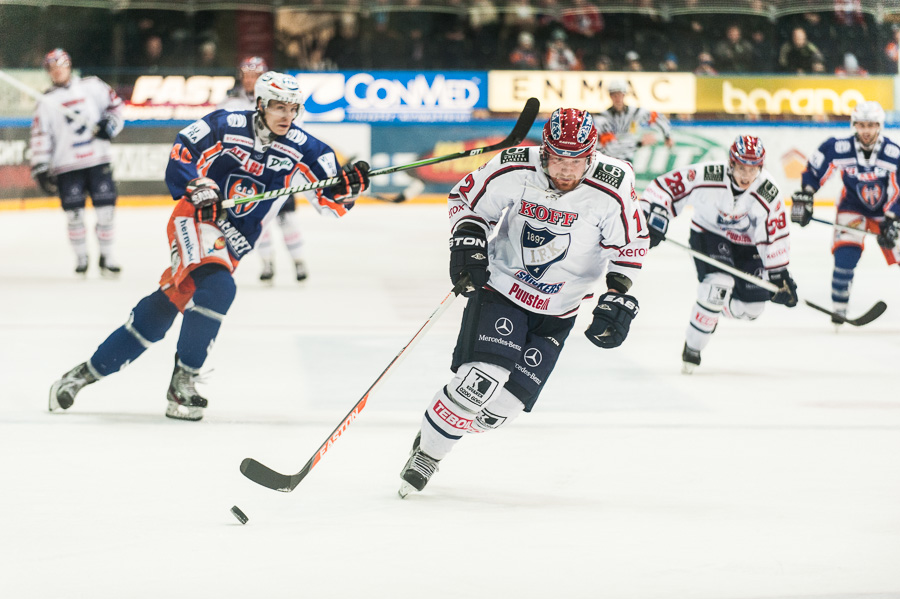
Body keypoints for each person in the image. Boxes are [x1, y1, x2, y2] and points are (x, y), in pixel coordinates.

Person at [48, 71, 370, 421]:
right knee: (219, 288)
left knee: (164, 309)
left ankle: (82, 374)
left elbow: (331, 201)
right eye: (278, 107)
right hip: (195, 220)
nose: (286, 116)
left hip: (232, 244)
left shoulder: (307, 148)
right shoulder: (227, 123)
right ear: (260, 104)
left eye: (293, 109)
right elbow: (183, 150)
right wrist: (198, 185)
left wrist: (350, 185)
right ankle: (183, 381)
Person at [398, 108, 648, 497]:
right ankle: (428, 455)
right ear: (545, 151)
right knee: (479, 381)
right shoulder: (515, 166)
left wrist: (617, 291)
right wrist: (468, 239)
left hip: (559, 309)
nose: (566, 171)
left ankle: (440, 429)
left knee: (499, 411)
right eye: (559, 160)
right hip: (503, 289)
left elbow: (631, 244)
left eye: (577, 161)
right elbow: (466, 200)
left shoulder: (613, 186)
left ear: (592, 156)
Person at [640, 135, 798, 373]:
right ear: (731, 163)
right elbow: (665, 187)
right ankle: (693, 346)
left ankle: (712, 309)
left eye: (753, 169)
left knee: (752, 309)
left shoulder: (768, 191)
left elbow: (775, 232)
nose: (746, 175)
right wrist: (655, 216)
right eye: (741, 168)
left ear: (761, 167)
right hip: (710, 235)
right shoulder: (708, 174)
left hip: (748, 246)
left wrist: (778, 274)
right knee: (717, 285)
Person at [790, 101, 900, 324]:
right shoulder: (839, 147)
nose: (866, 131)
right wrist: (807, 196)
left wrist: (892, 218)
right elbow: (815, 168)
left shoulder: (893, 153)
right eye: (861, 125)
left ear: (879, 126)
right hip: (852, 207)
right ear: (854, 125)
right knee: (845, 255)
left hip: (887, 211)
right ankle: (839, 306)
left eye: (871, 125)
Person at [29, 48, 125, 276]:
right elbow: (40, 136)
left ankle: (107, 257)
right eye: (52, 68)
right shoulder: (46, 101)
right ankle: (82, 259)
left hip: (97, 159)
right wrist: (41, 167)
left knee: (106, 211)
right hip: (67, 165)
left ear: (69, 65)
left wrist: (109, 125)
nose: (57, 71)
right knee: (74, 215)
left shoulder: (92, 86)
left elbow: (116, 107)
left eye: (60, 65)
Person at [218, 57, 309, 283]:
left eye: (255, 75)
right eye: (246, 75)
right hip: (247, 173)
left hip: (277, 170)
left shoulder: (281, 100)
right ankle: (267, 263)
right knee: (260, 220)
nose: (249, 80)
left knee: (286, 217)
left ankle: (298, 262)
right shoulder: (230, 102)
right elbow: (219, 132)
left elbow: (296, 130)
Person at [596, 78, 674, 163]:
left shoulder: (634, 112)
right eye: (615, 95)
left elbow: (656, 117)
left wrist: (667, 136)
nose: (618, 98)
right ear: (610, 96)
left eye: (620, 95)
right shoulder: (603, 118)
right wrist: (639, 143)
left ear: (624, 95)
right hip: (608, 160)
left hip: (627, 158)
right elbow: (610, 149)